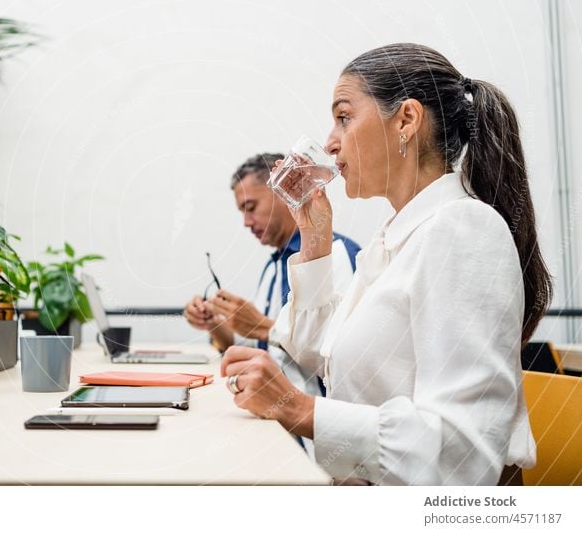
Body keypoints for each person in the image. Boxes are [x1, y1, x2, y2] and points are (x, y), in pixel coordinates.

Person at [221, 43, 552, 486]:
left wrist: (300, 410)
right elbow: (318, 353)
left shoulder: (462, 230)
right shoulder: (395, 237)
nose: (330, 142)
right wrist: (315, 236)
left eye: (343, 116)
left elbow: (464, 452)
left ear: (406, 120)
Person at [183, 154, 360, 397]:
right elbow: (259, 346)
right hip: (274, 413)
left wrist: (263, 327)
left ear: (283, 193)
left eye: (251, 207)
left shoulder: (337, 254)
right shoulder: (273, 266)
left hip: (311, 424)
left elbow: (346, 358)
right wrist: (213, 324)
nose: (245, 222)